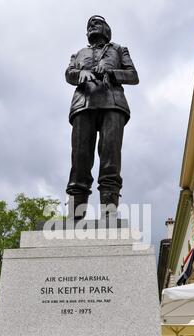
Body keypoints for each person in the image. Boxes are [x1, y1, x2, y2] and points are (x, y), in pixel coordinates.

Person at [65, 15, 139, 219]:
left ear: (107, 29)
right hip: (83, 104)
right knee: (79, 159)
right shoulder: (79, 53)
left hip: (112, 104)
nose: (91, 26)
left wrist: (111, 72)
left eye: (96, 24)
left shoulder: (118, 50)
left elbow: (133, 76)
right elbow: (69, 73)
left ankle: (109, 214)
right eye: (89, 25)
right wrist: (80, 74)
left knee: (110, 159)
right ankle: (75, 216)